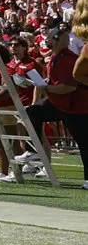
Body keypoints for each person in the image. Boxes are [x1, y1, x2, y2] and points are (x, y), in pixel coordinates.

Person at [25, 16, 88, 186]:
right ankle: (35, 150)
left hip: (75, 105)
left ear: (58, 40)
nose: (46, 40)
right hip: (60, 102)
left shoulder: (66, 59)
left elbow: (68, 87)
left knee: (84, 142)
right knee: (31, 112)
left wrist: (46, 88)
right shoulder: (55, 57)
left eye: (50, 36)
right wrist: (46, 84)